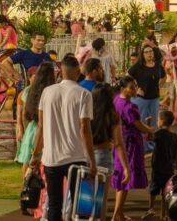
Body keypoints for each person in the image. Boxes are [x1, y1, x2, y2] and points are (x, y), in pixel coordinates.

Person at [30, 56, 96, 221]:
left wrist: (35, 154)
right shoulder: (84, 94)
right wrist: (92, 161)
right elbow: (85, 128)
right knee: (80, 204)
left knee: (54, 204)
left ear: (61, 70)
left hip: (51, 158)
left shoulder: (47, 92)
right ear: (78, 71)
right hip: (76, 156)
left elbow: (41, 126)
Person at [112, 76, 154, 221]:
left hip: (120, 139)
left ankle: (119, 213)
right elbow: (139, 126)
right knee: (126, 177)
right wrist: (150, 129)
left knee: (121, 177)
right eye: (131, 87)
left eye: (135, 86)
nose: (135, 89)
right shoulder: (130, 107)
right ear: (123, 89)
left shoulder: (116, 100)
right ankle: (116, 214)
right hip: (130, 144)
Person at [90, 83, 129, 221]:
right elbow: (119, 143)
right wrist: (126, 167)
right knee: (102, 198)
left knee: (86, 196)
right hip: (104, 155)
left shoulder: (87, 113)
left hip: (87, 155)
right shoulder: (112, 116)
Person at [14, 63, 56, 166]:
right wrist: (20, 129)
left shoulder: (35, 91)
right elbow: (20, 113)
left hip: (33, 127)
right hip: (37, 127)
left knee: (30, 162)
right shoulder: (26, 92)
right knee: (31, 163)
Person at [147, 110, 177, 221]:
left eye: (158, 120)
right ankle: (163, 215)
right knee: (166, 192)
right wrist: (176, 163)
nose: (157, 122)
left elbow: (149, 138)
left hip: (158, 167)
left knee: (153, 189)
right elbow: (176, 151)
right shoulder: (174, 136)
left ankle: (151, 208)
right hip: (169, 168)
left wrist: (148, 125)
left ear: (162, 121)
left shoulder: (159, 133)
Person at [128, 45, 166, 130]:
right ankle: (141, 142)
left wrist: (159, 85)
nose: (149, 54)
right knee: (141, 122)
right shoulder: (138, 66)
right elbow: (127, 78)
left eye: (151, 51)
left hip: (154, 98)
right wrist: (136, 89)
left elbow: (164, 76)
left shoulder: (158, 66)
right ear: (143, 54)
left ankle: (151, 142)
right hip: (141, 98)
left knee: (153, 122)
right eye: (146, 52)